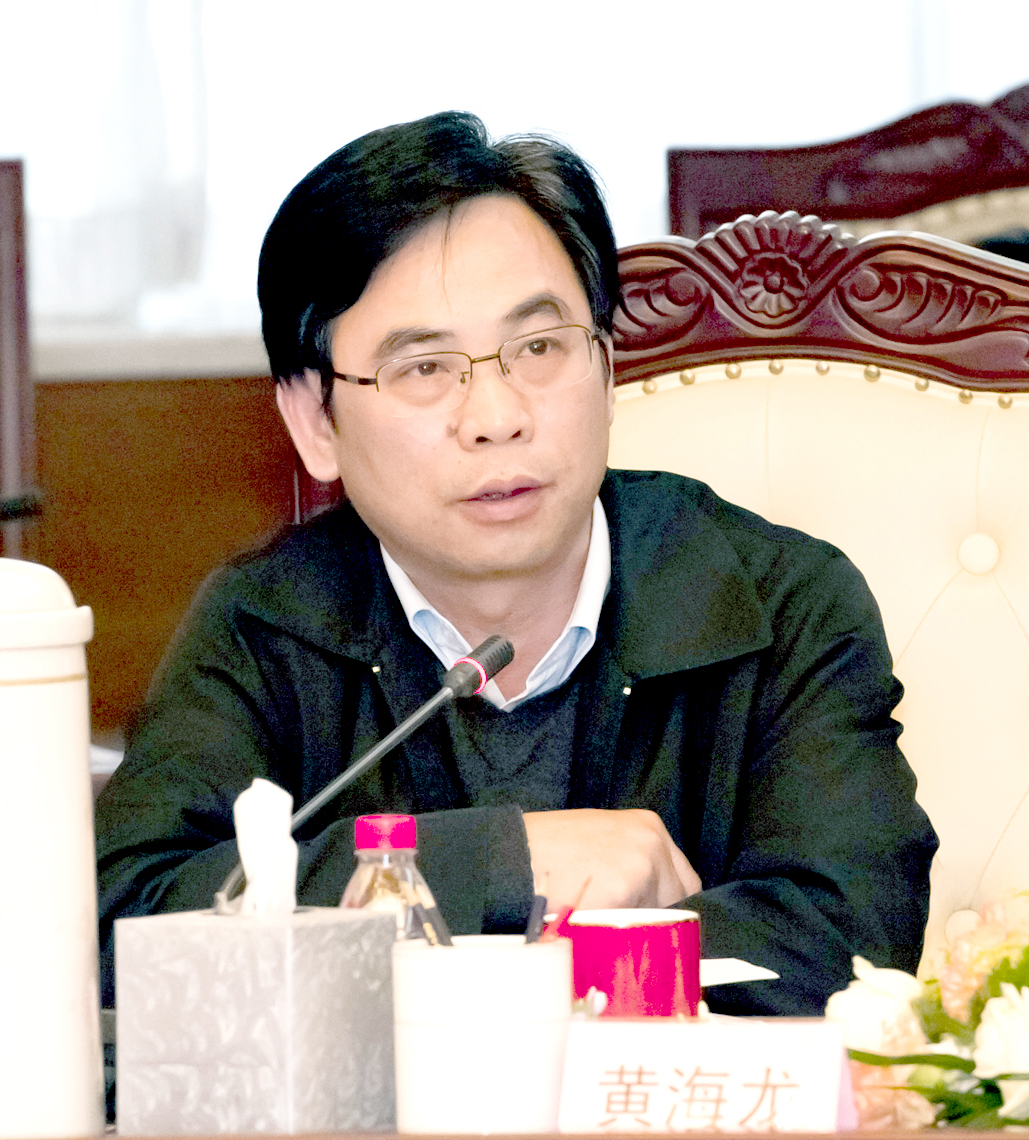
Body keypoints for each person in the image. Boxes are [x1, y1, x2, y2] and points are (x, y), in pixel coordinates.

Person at [95, 111, 937, 1016]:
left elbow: (854, 937)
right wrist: (507, 863)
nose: (496, 417)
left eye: (538, 348)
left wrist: (509, 967)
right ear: (315, 422)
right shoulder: (265, 626)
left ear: (606, 367)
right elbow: (129, 927)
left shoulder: (782, 604)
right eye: (424, 368)